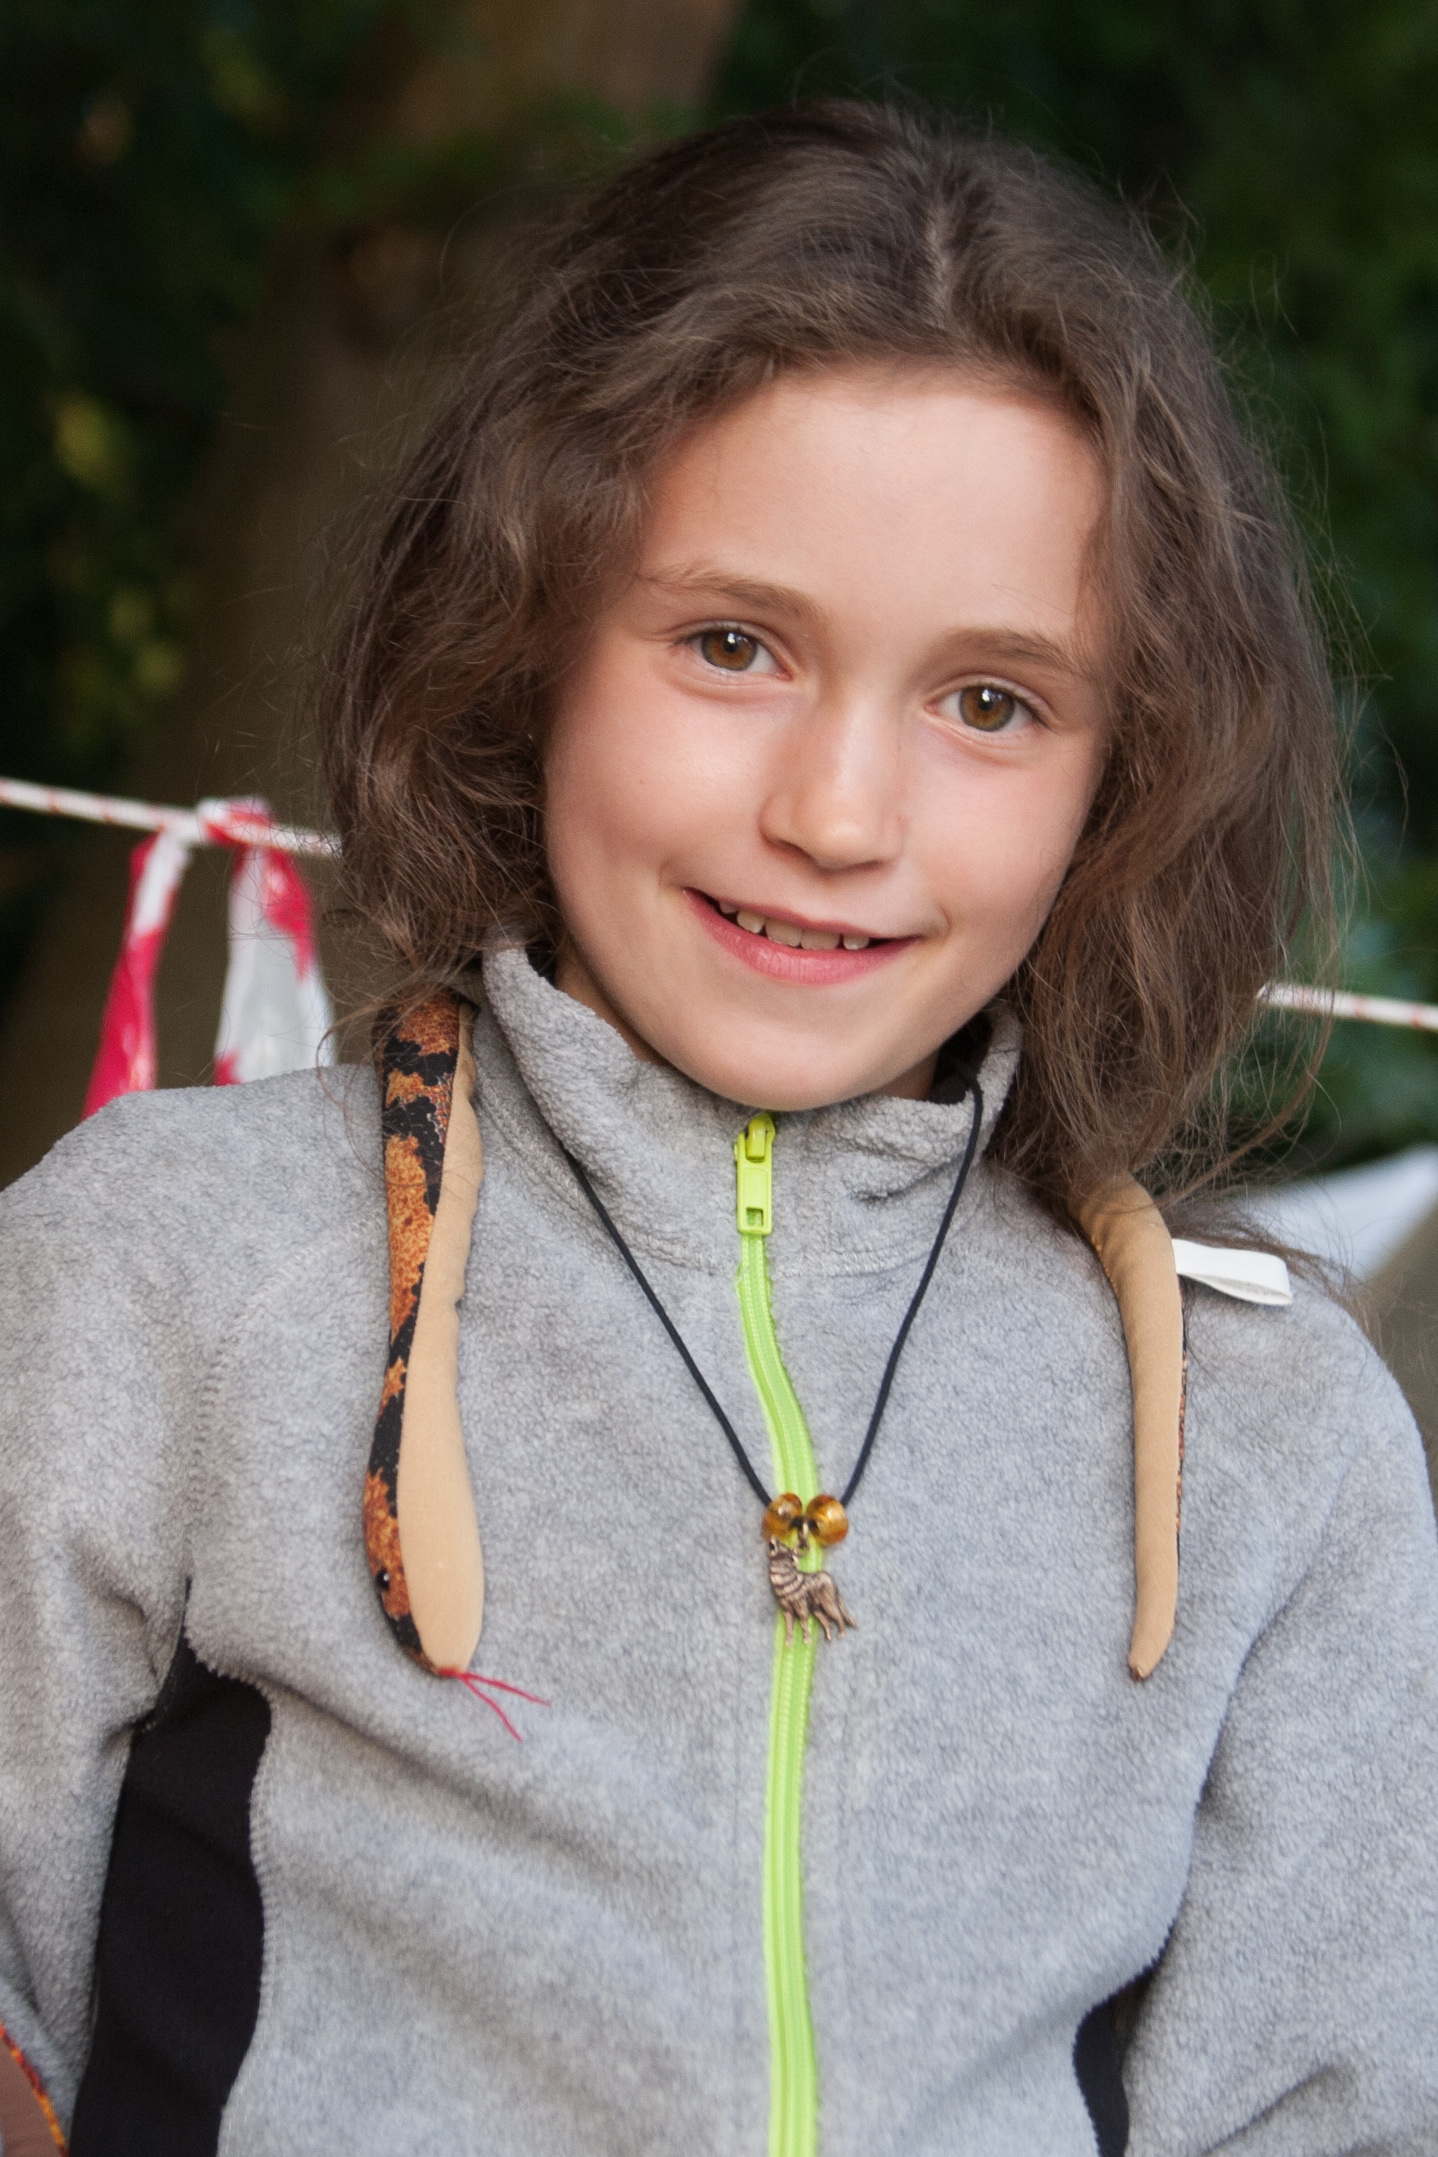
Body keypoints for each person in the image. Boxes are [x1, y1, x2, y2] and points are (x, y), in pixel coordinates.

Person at [1, 100, 1435, 2157]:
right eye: (731, 645)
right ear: (528, 642)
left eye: (990, 701)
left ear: (1123, 773)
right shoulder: (165, 1267)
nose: (836, 814)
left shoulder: (1273, 1431)